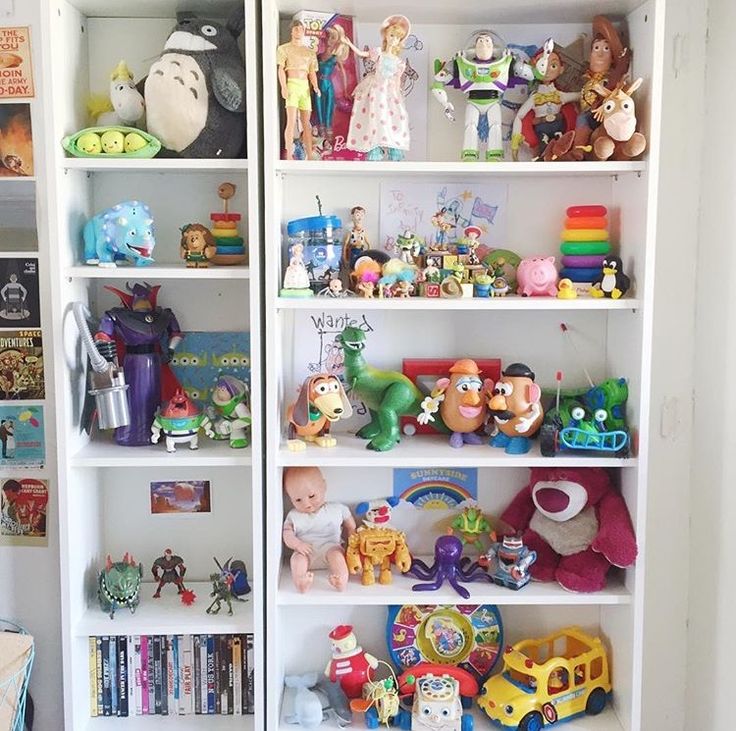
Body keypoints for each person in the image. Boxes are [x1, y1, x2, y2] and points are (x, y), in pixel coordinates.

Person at [346, 15, 411, 161]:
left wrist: (397, 96)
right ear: (386, 36)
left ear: (400, 41)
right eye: (391, 35)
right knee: (376, 117)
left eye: (397, 37)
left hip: (389, 92)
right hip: (376, 89)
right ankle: (375, 147)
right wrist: (349, 44)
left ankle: (393, 146)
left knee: (391, 117)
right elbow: (362, 54)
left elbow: (397, 81)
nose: (393, 39)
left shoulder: (399, 62)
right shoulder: (379, 53)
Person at [282, 466, 356, 592]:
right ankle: (301, 582)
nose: (307, 504)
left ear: (324, 486)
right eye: (298, 500)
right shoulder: (294, 516)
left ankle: (341, 580)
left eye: (311, 496)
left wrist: (352, 542)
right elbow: (287, 534)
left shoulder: (336, 509)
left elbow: (351, 526)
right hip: (305, 552)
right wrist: (298, 545)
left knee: (338, 557)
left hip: (330, 548)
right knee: (296, 560)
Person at [278, 21, 321, 161]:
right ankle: (289, 154)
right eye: (296, 29)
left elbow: (312, 73)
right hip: (292, 85)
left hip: (305, 87)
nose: (298, 32)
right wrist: (283, 87)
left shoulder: (309, 52)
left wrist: (315, 87)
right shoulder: (284, 49)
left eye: (301, 29)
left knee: (306, 123)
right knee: (290, 120)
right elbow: (281, 70)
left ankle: (309, 155)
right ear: (291, 31)